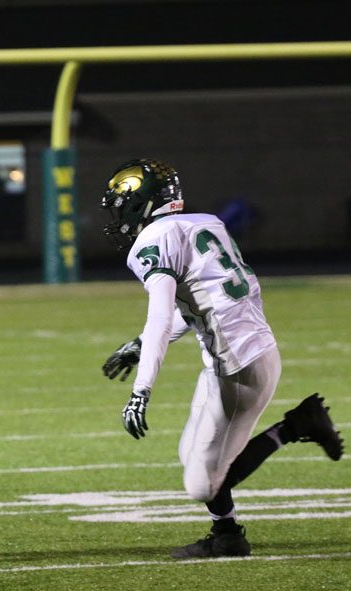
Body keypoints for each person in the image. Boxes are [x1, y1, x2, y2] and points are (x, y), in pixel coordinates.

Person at [98, 158, 344, 559]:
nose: (118, 213)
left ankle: (296, 425)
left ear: (141, 202)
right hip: (239, 357)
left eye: (122, 203)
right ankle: (228, 534)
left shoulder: (153, 240)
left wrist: (141, 390)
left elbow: (160, 317)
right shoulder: (204, 224)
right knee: (191, 454)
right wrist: (140, 343)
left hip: (241, 369)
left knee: (202, 484)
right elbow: (201, 303)